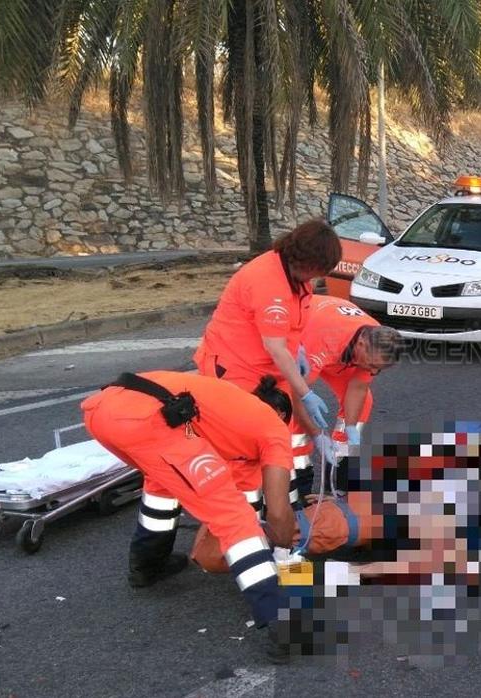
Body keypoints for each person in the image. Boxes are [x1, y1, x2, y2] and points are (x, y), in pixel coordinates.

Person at [81, 371, 297, 661]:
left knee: (161, 483)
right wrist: (284, 548)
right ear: (281, 414)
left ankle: (146, 566)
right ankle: (279, 623)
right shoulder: (275, 430)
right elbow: (278, 511)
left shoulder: (232, 412)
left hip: (101, 412)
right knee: (232, 515)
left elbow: (247, 490)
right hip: (146, 420)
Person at [194, 219, 342, 473]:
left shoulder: (298, 278)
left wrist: (300, 351)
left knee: (274, 440)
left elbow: (291, 328)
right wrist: (306, 393)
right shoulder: (268, 283)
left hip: (270, 366)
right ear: (307, 263)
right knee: (243, 447)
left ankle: (273, 501)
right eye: (318, 272)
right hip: (236, 368)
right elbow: (275, 347)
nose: (318, 279)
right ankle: (247, 507)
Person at [289, 296, 403, 500]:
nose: (373, 371)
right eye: (372, 365)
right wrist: (316, 434)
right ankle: (298, 484)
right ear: (361, 344)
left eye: (379, 369)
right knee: (293, 420)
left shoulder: (376, 342)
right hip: (305, 342)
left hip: (342, 354)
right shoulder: (323, 341)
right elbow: (294, 395)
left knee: (364, 402)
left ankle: (336, 482)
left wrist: (349, 427)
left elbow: (358, 388)